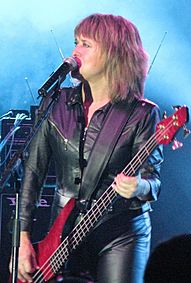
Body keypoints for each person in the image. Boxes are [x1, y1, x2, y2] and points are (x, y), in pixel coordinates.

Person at [10, 13, 163, 283]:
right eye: (75, 42)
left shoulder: (141, 114)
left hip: (120, 232)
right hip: (62, 231)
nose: (75, 51)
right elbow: (32, 173)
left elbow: (153, 181)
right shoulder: (57, 103)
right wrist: (22, 239)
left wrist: (138, 186)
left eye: (86, 44)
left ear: (114, 53)